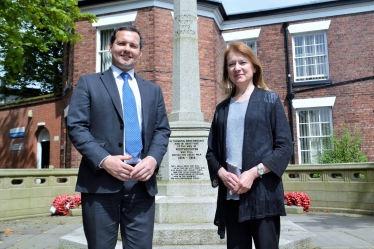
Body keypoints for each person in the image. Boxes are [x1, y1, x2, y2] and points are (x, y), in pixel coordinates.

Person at [67, 25, 170, 249]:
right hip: (100, 184)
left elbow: (162, 130)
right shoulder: (89, 83)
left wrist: (152, 159)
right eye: (122, 43)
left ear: (140, 52)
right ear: (110, 47)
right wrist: (105, 160)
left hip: (141, 186)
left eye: (133, 45)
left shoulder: (153, 91)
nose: (127, 49)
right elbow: (76, 126)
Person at [206, 42, 293, 249]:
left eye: (242, 62)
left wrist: (254, 173)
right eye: (231, 64)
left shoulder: (270, 100)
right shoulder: (222, 109)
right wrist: (222, 174)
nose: (237, 68)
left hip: (262, 195)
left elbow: (284, 146)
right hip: (232, 196)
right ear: (227, 71)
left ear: (254, 67)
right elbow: (211, 152)